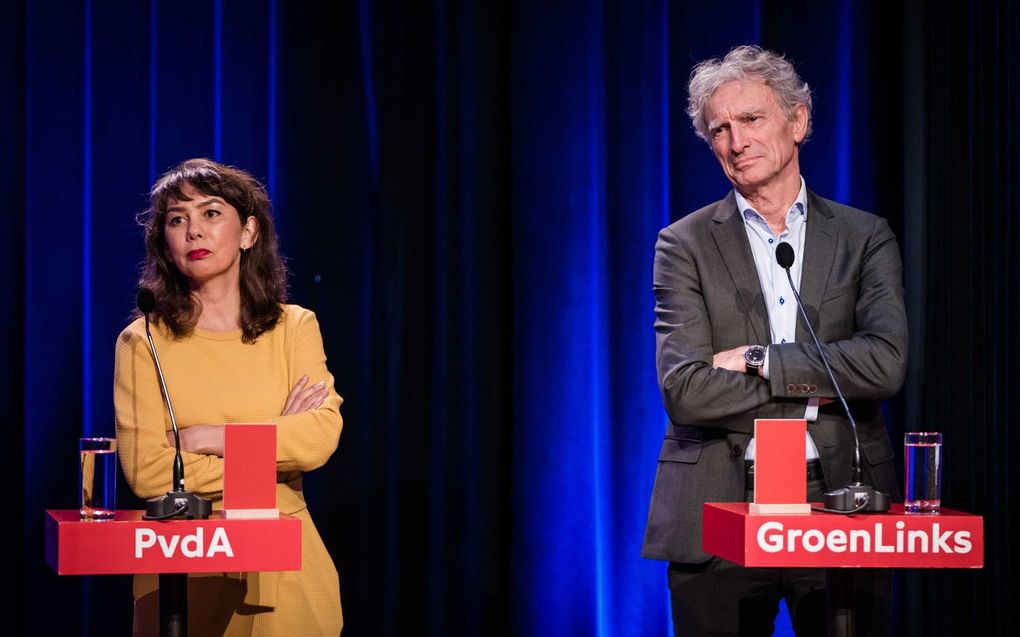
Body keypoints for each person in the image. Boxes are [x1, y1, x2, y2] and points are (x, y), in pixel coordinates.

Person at [641, 46, 907, 635]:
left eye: (752, 119)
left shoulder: (865, 238)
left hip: (840, 496)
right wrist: (822, 384)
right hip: (720, 500)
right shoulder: (682, 244)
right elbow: (685, 391)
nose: (736, 141)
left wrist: (760, 361)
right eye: (720, 129)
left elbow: (885, 365)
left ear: (799, 121)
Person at [114, 158, 344, 635]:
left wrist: (208, 436)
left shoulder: (294, 327)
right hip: (185, 572)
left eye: (211, 213)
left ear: (249, 232)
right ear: (165, 243)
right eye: (178, 219)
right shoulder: (144, 341)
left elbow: (319, 438)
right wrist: (275, 445)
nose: (194, 231)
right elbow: (148, 471)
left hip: (290, 568)